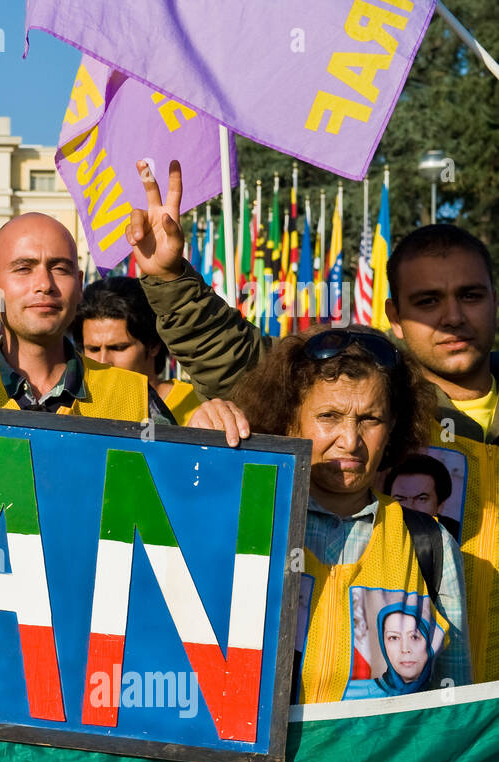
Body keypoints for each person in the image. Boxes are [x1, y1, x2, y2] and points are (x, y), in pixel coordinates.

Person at [128, 160, 499, 679]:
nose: (453, 316)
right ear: (393, 313)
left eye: (471, 295)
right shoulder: (368, 389)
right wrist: (169, 278)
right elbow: (235, 356)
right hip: (404, 724)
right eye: (428, 301)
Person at [221, 325, 470, 703]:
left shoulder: (431, 546)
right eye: (329, 416)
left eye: (370, 419)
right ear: (291, 420)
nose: (350, 440)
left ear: (392, 429)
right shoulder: (250, 520)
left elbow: (454, 711)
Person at [0, 212, 173, 427]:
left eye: (60, 268)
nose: (44, 284)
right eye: (23, 268)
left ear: (78, 286)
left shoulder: (135, 399)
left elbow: (188, 489)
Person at [74, 275, 202, 424]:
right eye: (93, 349)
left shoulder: (198, 409)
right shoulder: (76, 410)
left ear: (154, 344)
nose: (103, 361)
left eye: (118, 348)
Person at [386, 452, 461, 540]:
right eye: (400, 499)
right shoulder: (375, 530)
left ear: (440, 505)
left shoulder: (459, 538)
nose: (409, 507)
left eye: (421, 499)